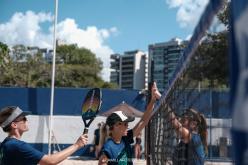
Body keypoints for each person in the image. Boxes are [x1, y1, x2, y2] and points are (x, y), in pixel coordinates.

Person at [98, 82, 161, 165]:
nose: (127, 126)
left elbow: (143, 120)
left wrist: (153, 100)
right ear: (116, 126)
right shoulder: (108, 147)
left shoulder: (126, 139)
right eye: (125, 124)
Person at [0, 106, 88, 165]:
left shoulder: (5, 144)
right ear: (14, 125)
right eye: (24, 118)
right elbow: (51, 161)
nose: (27, 120)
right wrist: (77, 145)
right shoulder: (17, 145)